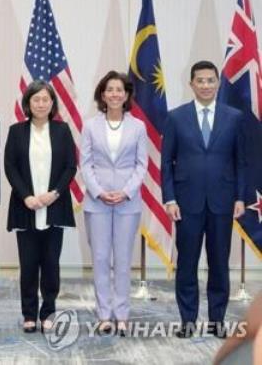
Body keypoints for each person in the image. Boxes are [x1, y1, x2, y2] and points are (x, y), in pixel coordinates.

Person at [162, 60, 245, 338]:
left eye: (211, 80)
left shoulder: (233, 117)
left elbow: (240, 161)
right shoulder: (176, 117)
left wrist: (240, 197)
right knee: (187, 263)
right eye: (201, 80)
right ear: (191, 84)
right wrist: (170, 198)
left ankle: (217, 320)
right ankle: (188, 320)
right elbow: (166, 164)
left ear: (218, 83)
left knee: (219, 263)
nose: (206, 85)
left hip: (223, 201)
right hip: (186, 203)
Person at [4, 80, 76, 333]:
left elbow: (70, 166)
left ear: (52, 103)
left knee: (51, 263)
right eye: (36, 99)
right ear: (28, 103)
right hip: (26, 207)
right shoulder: (16, 131)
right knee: (28, 264)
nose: (41, 104)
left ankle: (48, 311)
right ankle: (29, 313)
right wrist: (27, 196)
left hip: (54, 206)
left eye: (46, 99)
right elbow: (10, 167)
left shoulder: (62, 130)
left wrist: (54, 194)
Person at [80, 71, 147, 336]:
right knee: (100, 257)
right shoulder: (89, 126)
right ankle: (103, 313)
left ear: (127, 94)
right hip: (97, 203)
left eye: (120, 89)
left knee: (122, 259)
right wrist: (98, 191)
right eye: (110, 89)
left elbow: (142, 164)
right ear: (102, 94)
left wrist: (126, 191)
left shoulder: (138, 127)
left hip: (127, 203)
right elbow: (85, 163)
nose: (115, 94)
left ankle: (122, 314)